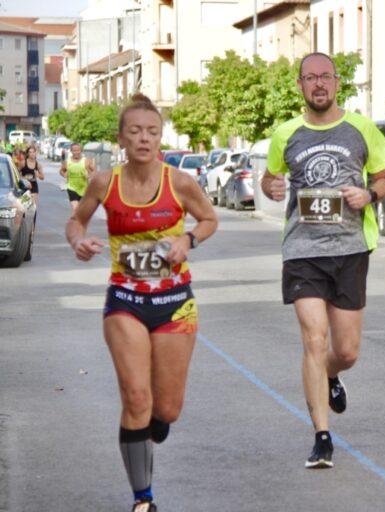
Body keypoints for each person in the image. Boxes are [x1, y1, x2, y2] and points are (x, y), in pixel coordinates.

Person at [65, 93, 218, 511]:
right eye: (135, 131)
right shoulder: (105, 182)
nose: (144, 139)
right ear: (121, 138)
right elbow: (76, 220)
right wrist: (79, 241)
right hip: (125, 301)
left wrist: (187, 240)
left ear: (160, 137)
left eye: (152, 131)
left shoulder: (179, 182)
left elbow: (209, 219)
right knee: (136, 397)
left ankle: (154, 422)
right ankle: (143, 499)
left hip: (174, 303)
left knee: (165, 409)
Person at [261, 52, 385, 469]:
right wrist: (272, 186)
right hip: (303, 251)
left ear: (337, 83)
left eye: (325, 77)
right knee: (313, 341)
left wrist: (369, 195)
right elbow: (269, 178)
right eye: (310, 77)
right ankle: (322, 436)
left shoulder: (360, 128)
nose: (318, 84)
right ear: (300, 85)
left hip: (350, 249)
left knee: (346, 351)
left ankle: (330, 375)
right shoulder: (286, 134)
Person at [59, 142, 96, 211]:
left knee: (82, 211)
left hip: (84, 189)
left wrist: (89, 176)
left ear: (81, 150)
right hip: (71, 188)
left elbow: (94, 171)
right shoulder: (67, 162)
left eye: (78, 150)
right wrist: (64, 174)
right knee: (76, 209)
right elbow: (61, 171)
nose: (76, 152)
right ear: (71, 151)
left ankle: (80, 221)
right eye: (74, 150)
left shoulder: (86, 161)